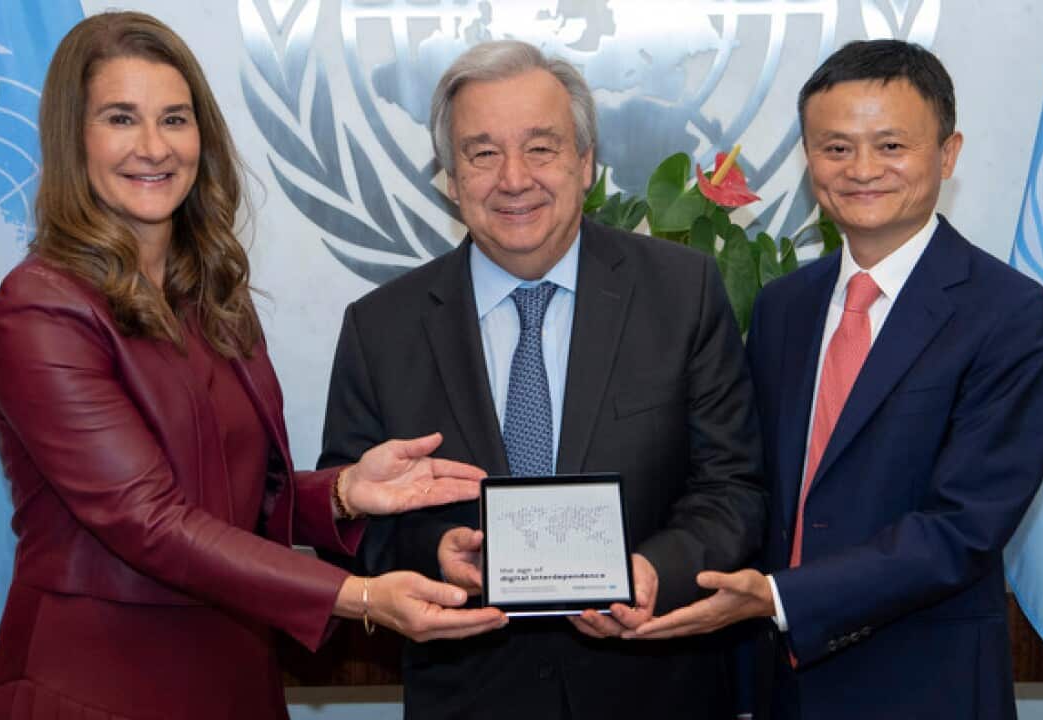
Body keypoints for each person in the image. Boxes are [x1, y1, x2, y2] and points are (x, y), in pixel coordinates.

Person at [0, 12, 506, 720]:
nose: (153, 147)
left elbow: (241, 505)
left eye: (174, 118)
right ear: (74, 139)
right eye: (120, 119)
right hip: (99, 688)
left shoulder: (212, 292)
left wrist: (347, 493)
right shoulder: (39, 309)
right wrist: (360, 597)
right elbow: (153, 522)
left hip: (234, 681)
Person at [318, 40, 766, 719]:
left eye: (542, 147)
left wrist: (655, 572)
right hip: (470, 697)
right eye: (482, 152)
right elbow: (348, 517)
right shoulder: (380, 329)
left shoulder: (683, 293)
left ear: (585, 163)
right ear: (450, 177)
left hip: (652, 691)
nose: (514, 177)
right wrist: (433, 553)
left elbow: (732, 485)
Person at [626, 40, 1043, 719]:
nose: (862, 169)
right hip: (780, 684)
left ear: (948, 154)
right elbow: (750, 480)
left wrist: (782, 599)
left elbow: (963, 529)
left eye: (892, 146)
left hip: (924, 684)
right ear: (809, 160)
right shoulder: (784, 307)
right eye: (835, 148)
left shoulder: (1011, 315)